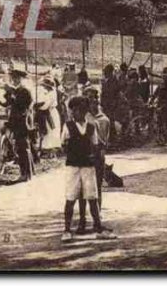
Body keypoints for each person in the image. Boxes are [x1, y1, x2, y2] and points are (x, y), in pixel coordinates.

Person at [61, 96, 114, 242]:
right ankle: (66, 230)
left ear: (84, 112)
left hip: (88, 166)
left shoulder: (91, 127)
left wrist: (93, 159)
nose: (74, 113)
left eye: (78, 111)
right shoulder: (68, 126)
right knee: (71, 197)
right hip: (73, 166)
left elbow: (95, 145)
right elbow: (63, 145)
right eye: (73, 111)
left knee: (92, 197)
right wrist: (74, 154)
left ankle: (98, 228)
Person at [0, 69, 33, 181]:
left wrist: (11, 93)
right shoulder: (18, 91)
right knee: (22, 147)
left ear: (21, 79)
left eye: (16, 78)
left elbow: (20, 105)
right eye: (13, 78)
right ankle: (27, 173)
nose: (14, 80)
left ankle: (25, 174)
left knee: (23, 148)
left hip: (22, 122)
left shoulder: (24, 91)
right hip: (17, 122)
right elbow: (9, 102)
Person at [100, 64, 123, 146]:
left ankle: (112, 139)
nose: (105, 74)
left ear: (110, 72)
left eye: (106, 72)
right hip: (106, 104)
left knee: (110, 122)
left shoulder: (114, 81)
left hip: (112, 105)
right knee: (108, 121)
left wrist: (113, 104)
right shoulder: (106, 81)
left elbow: (114, 93)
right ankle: (109, 139)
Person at [35, 76, 60, 153]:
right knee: (48, 129)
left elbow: (46, 105)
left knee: (51, 129)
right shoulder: (47, 93)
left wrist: (38, 107)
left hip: (50, 112)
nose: (44, 87)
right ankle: (45, 146)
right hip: (48, 111)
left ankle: (50, 147)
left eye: (45, 86)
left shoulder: (51, 94)